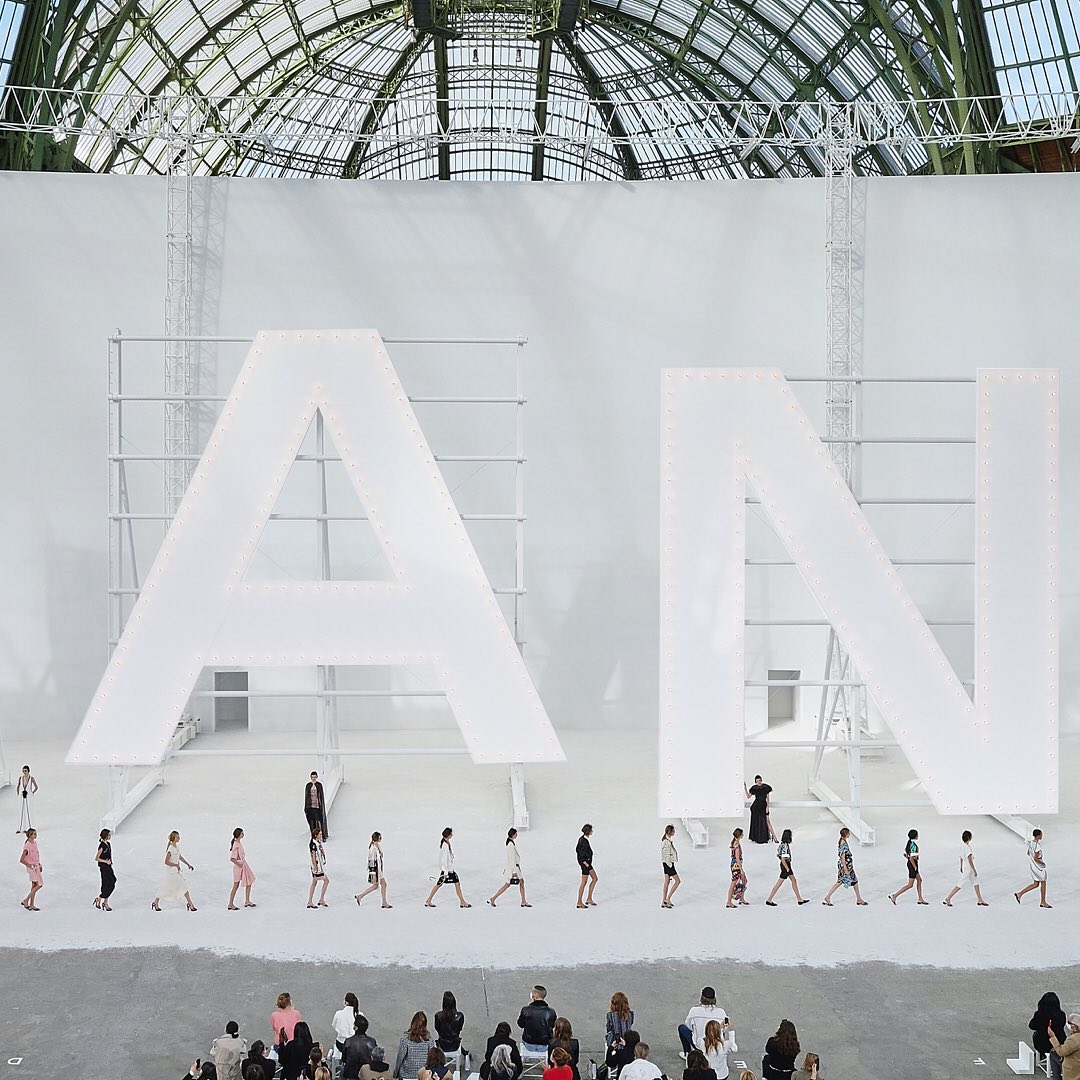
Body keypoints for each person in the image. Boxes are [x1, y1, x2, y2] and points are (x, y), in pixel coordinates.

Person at [425, 828, 471, 908]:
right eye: (451, 834)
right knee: (440, 884)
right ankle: (428, 900)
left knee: (455, 883)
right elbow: (443, 860)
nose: (452, 835)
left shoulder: (446, 842)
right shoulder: (445, 846)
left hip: (449, 869)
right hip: (447, 870)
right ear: (448, 835)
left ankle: (462, 902)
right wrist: (446, 873)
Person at [152, 829, 197, 911]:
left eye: (179, 837)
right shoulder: (170, 848)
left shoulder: (176, 847)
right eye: (177, 837)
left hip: (175, 872)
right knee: (182, 887)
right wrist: (176, 865)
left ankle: (155, 902)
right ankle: (190, 904)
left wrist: (188, 864)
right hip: (171, 873)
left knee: (174, 887)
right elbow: (166, 861)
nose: (179, 838)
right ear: (173, 838)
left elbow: (179, 857)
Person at [822, 827, 867, 906]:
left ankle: (859, 899)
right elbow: (843, 857)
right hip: (845, 867)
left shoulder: (842, 841)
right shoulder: (843, 843)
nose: (849, 834)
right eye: (848, 833)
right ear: (846, 834)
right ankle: (827, 897)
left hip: (848, 866)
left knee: (854, 882)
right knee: (840, 882)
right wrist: (846, 869)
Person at [943, 830, 989, 907]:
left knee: (976, 881)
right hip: (969, 867)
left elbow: (960, 857)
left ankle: (980, 899)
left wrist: (961, 866)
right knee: (961, 883)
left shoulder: (962, 847)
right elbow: (970, 860)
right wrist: (974, 870)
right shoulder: (968, 848)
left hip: (965, 866)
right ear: (969, 838)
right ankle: (948, 898)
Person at [679, 987, 727, 1057]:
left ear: (701, 998)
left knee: (682, 1028)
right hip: (717, 1045)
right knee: (722, 1032)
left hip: (699, 1045)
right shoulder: (722, 1012)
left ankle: (688, 1054)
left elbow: (688, 1026)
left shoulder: (694, 1011)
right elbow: (726, 1028)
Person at [765, 830, 809, 907]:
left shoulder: (782, 844)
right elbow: (783, 858)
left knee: (793, 880)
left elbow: (778, 854)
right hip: (786, 865)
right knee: (779, 883)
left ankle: (799, 899)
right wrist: (787, 868)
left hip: (785, 865)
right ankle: (769, 900)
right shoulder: (785, 845)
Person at [489, 828, 531, 907]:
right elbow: (511, 859)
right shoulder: (511, 845)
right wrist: (514, 872)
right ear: (512, 835)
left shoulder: (511, 843)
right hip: (514, 868)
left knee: (519, 882)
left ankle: (523, 901)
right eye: (516, 834)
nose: (517, 835)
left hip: (514, 868)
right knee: (508, 884)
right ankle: (493, 898)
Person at [1030, 992, 1067, 1080]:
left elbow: (1032, 1026)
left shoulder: (1039, 1014)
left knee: (1036, 1035)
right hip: (1060, 1042)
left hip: (1043, 1044)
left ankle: (1042, 1054)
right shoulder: (1061, 1014)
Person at [888, 829, 927, 905]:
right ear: (915, 836)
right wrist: (915, 866)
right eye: (917, 835)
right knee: (910, 885)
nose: (918, 836)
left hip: (911, 864)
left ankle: (920, 898)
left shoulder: (909, 843)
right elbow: (912, 858)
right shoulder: (913, 845)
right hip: (913, 865)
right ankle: (894, 895)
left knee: (919, 880)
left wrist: (912, 858)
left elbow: (908, 855)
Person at [1016, 828, 1052, 908]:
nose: (1042, 835)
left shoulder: (1031, 843)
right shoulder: (1037, 845)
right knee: (1043, 882)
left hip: (1033, 866)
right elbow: (1036, 858)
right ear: (1038, 835)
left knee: (1036, 884)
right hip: (1038, 867)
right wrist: (1042, 862)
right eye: (1041, 834)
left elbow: (1028, 853)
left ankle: (1019, 894)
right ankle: (1043, 902)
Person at [356, 831, 392, 908]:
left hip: (379, 869)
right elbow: (371, 862)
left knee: (376, 886)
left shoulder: (377, 846)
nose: (381, 839)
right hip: (376, 870)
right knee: (384, 884)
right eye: (380, 837)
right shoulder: (373, 848)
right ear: (377, 838)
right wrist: (373, 874)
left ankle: (360, 896)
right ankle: (384, 902)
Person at [517, 986, 557, 1054]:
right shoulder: (551, 1012)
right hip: (545, 1043)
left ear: (534, 996)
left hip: (529, 1043)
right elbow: (553, 1025)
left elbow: (520, 1024)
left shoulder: (526, 1010)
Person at [394, 1013, 434, 1080]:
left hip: (406, 1075)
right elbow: (432, 1058)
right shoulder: (429, 1039)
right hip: (423, 1076)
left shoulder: (405, 1039)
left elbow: (400, 1058)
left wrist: (396, 1074)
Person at [229, 827, 257, 910]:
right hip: (239, 867)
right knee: (236, 885)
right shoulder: (236, 845)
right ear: (238, 835)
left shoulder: (238, 842)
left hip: (244, 866)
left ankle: (247, 901)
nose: (243, 834)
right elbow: (232, 858)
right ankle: (230, 904)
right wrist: (239, 864)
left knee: (249, 881)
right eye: (242, 833)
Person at [744, 776, 776, 844]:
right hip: (755, 807)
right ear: (755, 781)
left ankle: (767, 837)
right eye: (757, 781)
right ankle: (757, 838)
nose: (758, 782)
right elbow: (748, 796)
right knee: (757, 822)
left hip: (763, 806)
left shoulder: (766, 787)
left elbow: (768, 799)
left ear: (761, 780)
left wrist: (767, 807)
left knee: (764, 821)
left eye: (759, 780)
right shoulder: (754, 788)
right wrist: (745, 788)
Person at [1049, 1014, 1080, 1080]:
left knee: (1053, 1053)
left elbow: (1061, 1052)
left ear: (1074, 1026)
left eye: (1069, 1023)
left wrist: (1053, 1037)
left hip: (1073, 1068)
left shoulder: (1074, 1039)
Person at [19, 827, 43, 910]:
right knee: (39, 884)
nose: (36, 835)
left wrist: (39, 864)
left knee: (34, 885)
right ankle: (26, 900)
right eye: (34, 834)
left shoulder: (34, 843)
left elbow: (36, 854)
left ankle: (32, 904)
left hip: (36, 866)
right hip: (31, 867)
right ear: (30, 835)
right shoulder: (27, 846)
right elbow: (21, 859)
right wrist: (30, 866)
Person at [334, 993, 363, 1062]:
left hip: (341, 1044)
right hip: (356, 1045)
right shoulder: (360, 1015)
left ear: (345, 1002)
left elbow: (334, 1026)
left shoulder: (338, 1014)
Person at [94, 828, 116, 911]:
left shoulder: (108, 844)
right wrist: (105, 861)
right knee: (108, 883)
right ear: (105, 836)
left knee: (112, 881)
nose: (110, 836)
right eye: (109, 835)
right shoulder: (102, 846)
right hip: (104, 867)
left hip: (109, 866)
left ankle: (104, 901)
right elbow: (97, 858)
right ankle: (101, 899)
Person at [308, 825, 330, 908]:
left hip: (319, 865)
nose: (321, 836)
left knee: (314, 883)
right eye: (320, 834)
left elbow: (321, 850)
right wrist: (315, 867)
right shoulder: (313, 844)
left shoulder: (318, 842)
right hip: (317, 866)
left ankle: (311, 901)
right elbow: (313, 855)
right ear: (315, 835)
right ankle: (320, 899)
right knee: (326, 880)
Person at [576, 824, 597, 908]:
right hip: (586, 865)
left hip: (588, 864)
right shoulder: (583, 841)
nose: (592, 831)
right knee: (583, 883)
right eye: (591, 830)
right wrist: (585, 863)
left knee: (595, 878)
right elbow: (580, 854)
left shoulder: (583, 839)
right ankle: (579, 902)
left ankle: (589, 898)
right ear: (588, 831)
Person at [725, 829, 748, 908]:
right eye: (742, 834)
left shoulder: (734, 842)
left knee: (744, 880)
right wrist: (741, 870)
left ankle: (741, 898)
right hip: (736, 867)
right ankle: (729, 902)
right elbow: (737, 858)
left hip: (736, 865)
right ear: (739, 835)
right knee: (733, 883)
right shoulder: (736, 844)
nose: (743, 835)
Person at [661, 824, 681, 908]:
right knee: (677, 881)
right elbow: (665, 855)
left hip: (667, 864)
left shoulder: (667, 840)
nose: (674, 832)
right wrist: (670, 865)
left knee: (667, 882)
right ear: (670, 832)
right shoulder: (666, 842)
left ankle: (663, 901)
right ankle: (668, 898)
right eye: (673, 831)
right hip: (668, 864)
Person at [304, 772, 329, 840]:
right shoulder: (308, 785)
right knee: (312, 822)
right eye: (312, 777)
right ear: (311, 777)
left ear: (317, 777)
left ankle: (322, 836)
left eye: (315, 777)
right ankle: (313, 836)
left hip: (317, 807)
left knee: (319, 821)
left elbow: (321, 796)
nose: (314, 778)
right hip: (310, 807)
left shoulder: (319, 785)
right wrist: (306, 807)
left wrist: (321, 806)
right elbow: (306, 797)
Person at [15, 765, 38, 834]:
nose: (24, 772)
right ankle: (21, 827)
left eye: (25, 771)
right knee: (22, 811)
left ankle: (31, 827)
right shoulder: (20, 778)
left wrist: (32, 793)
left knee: (29, 810)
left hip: (29, 796)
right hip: (22, 796)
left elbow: (36, 787)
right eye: (23, 771)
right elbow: (18, 786)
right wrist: (18, 794)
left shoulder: (31, 778)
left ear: (28, 771)